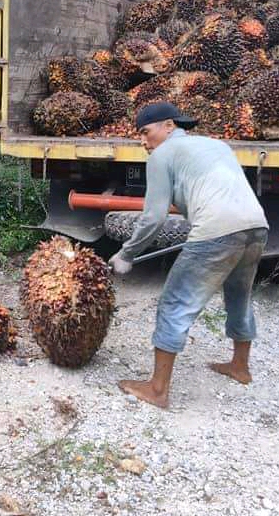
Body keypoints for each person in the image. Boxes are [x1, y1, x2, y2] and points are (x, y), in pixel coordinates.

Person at [108, 102, 269, 409]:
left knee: (174, 302)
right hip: (257, 226)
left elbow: (153, 218)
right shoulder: (214, 144)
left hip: (218, 229)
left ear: (169, 126)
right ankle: (240, 367)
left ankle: (157, 390)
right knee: (239, 295)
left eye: (146, 132)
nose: (143, 142)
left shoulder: (162, 155)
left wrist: (126, 255)